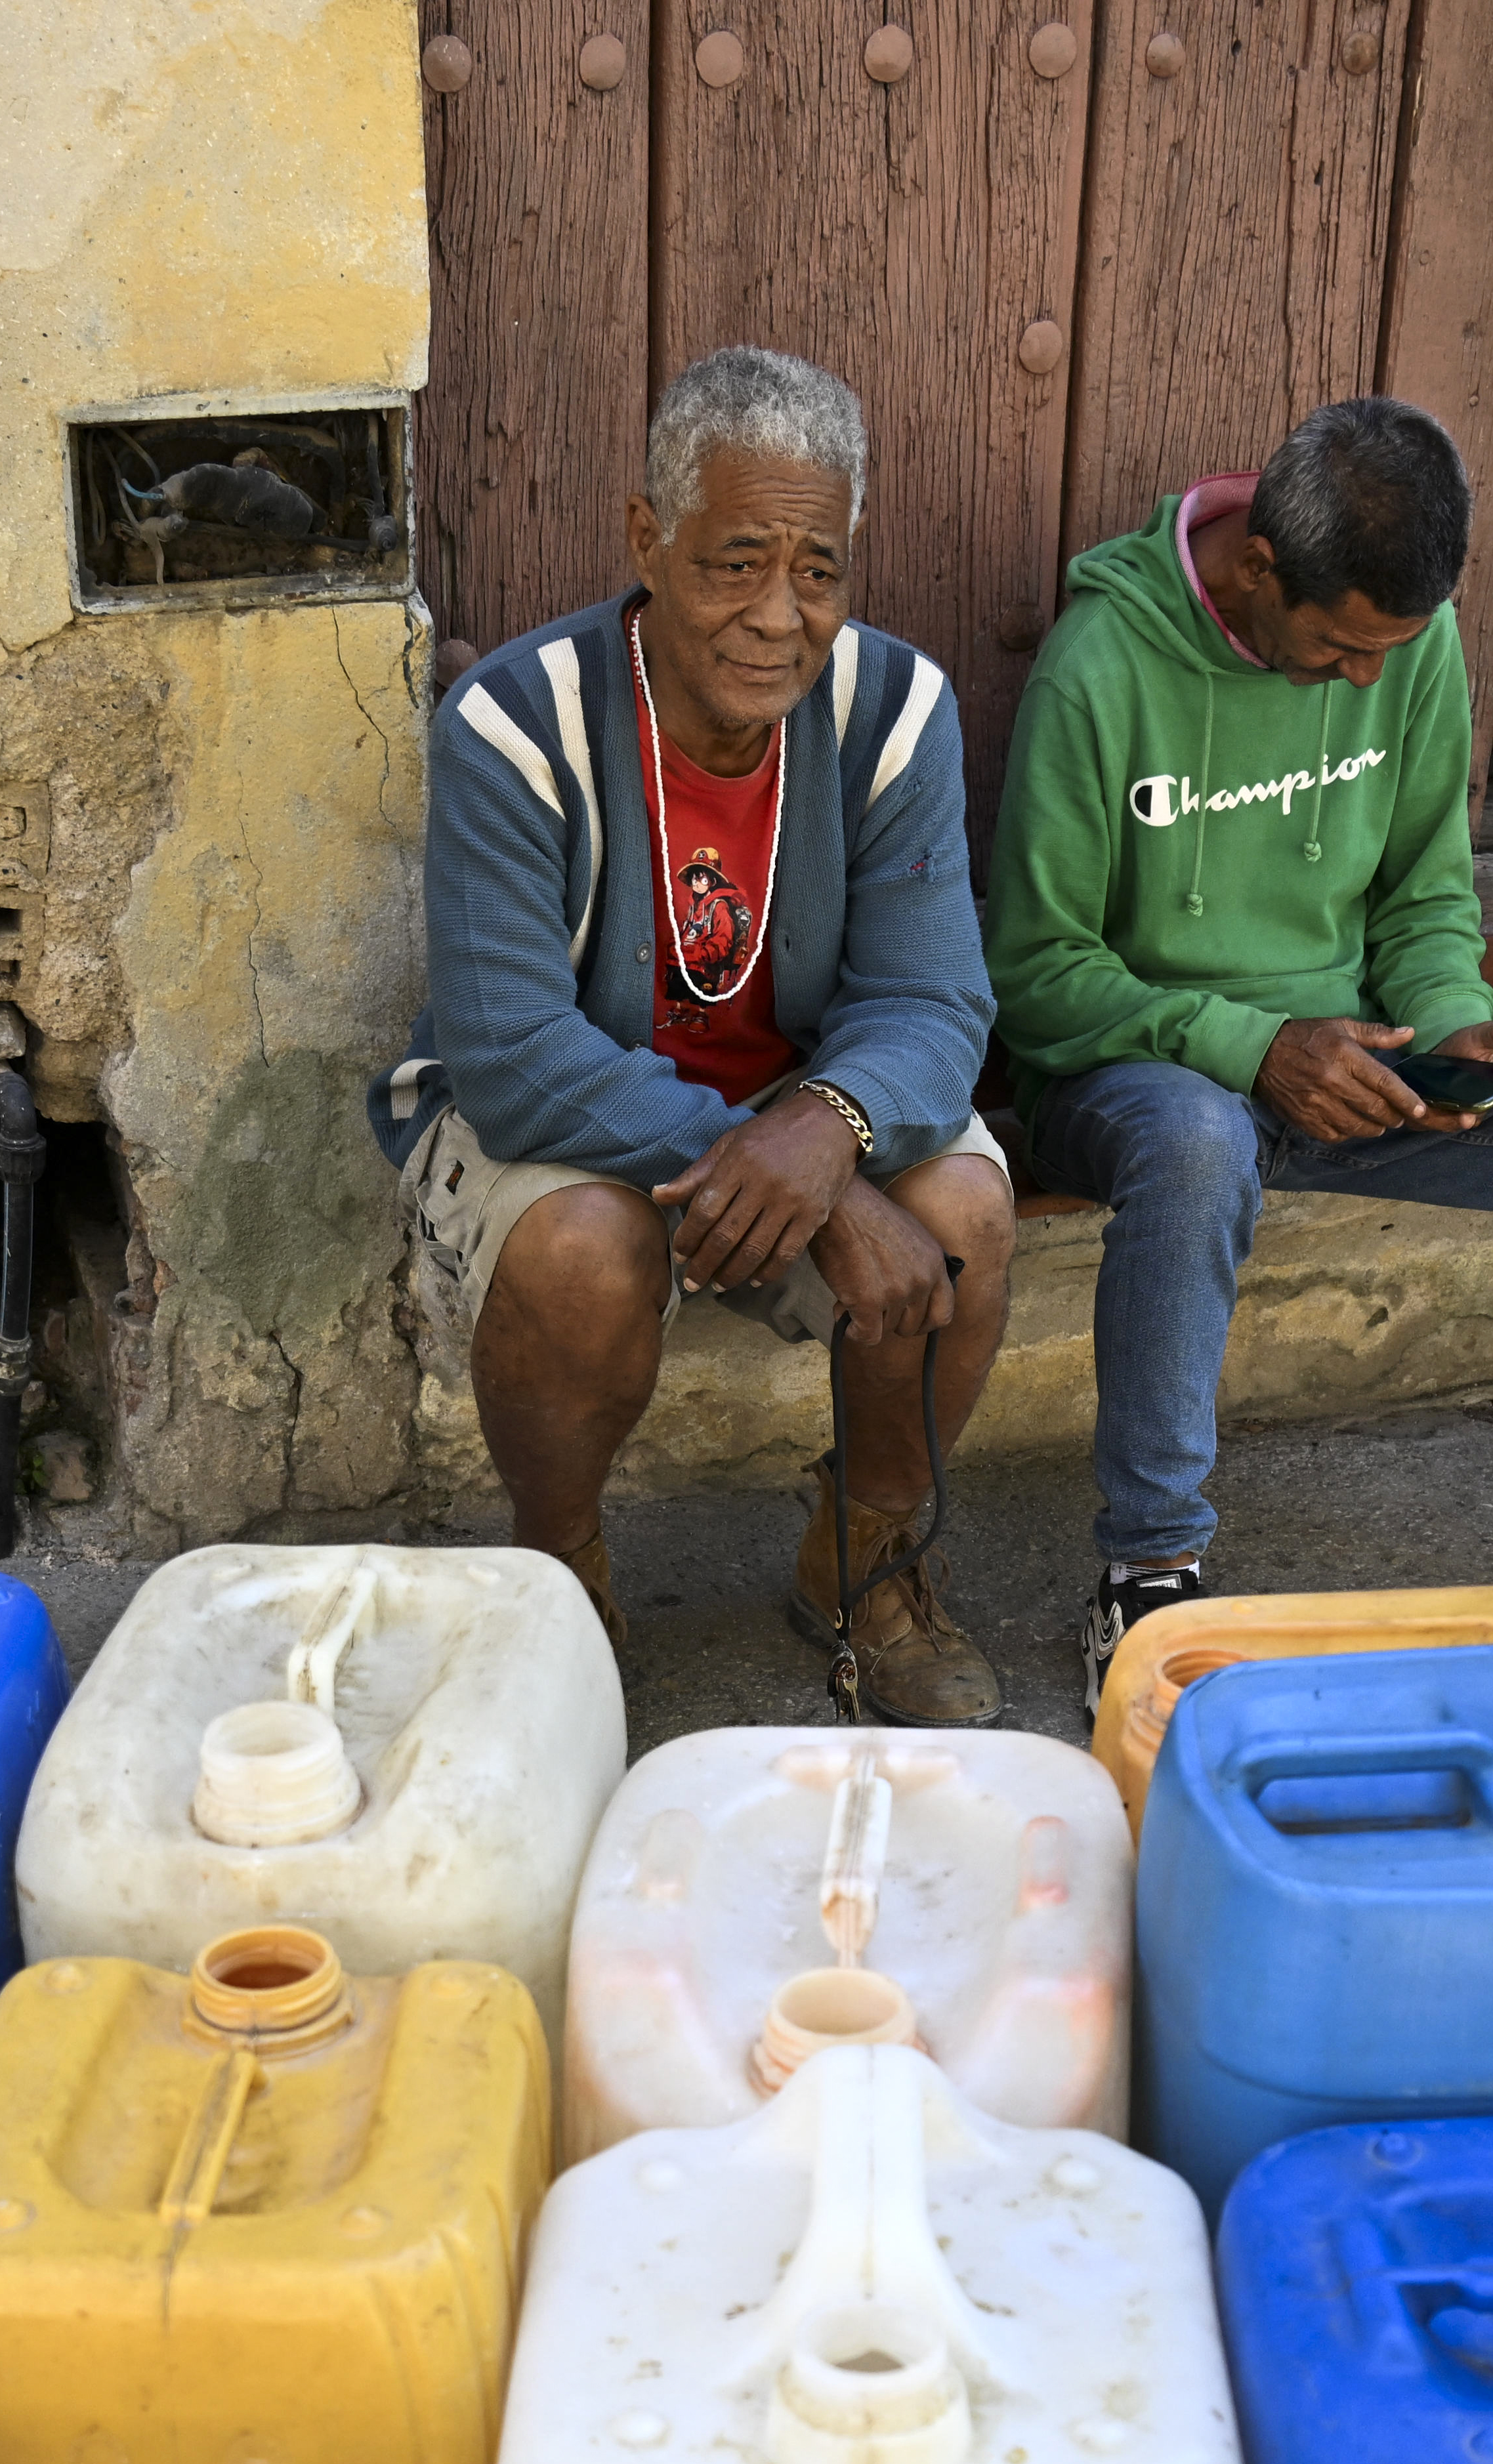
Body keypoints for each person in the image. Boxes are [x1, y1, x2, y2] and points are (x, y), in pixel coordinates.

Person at [987, 396, 1493, 1700]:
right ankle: (1148, 1575)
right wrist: (1256, 1044)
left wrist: (1452, 1018)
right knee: (1195, 1136)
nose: (1367, 682)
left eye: (1392, 649)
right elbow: (1037, 976)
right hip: (1136, 1074)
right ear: (1258, 571)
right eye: (1339, 649)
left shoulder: (1413, 639)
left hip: (1359, 1061)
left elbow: (1422, 895)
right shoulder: (1099, 667)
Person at [371, 348, 1007, 1724]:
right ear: (646, 541)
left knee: (963, 1206)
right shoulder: (516, 724)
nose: (782, 616)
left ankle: (868, 1561)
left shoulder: (895, 714)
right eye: (737, 563)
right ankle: (559, 1575)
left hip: (798, 1106)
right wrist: (783, 1171)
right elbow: (515, 1054)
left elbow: (936, 1004)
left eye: (821, 572)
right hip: (569, 1122)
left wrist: (825, 1135)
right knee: (584, 1252)